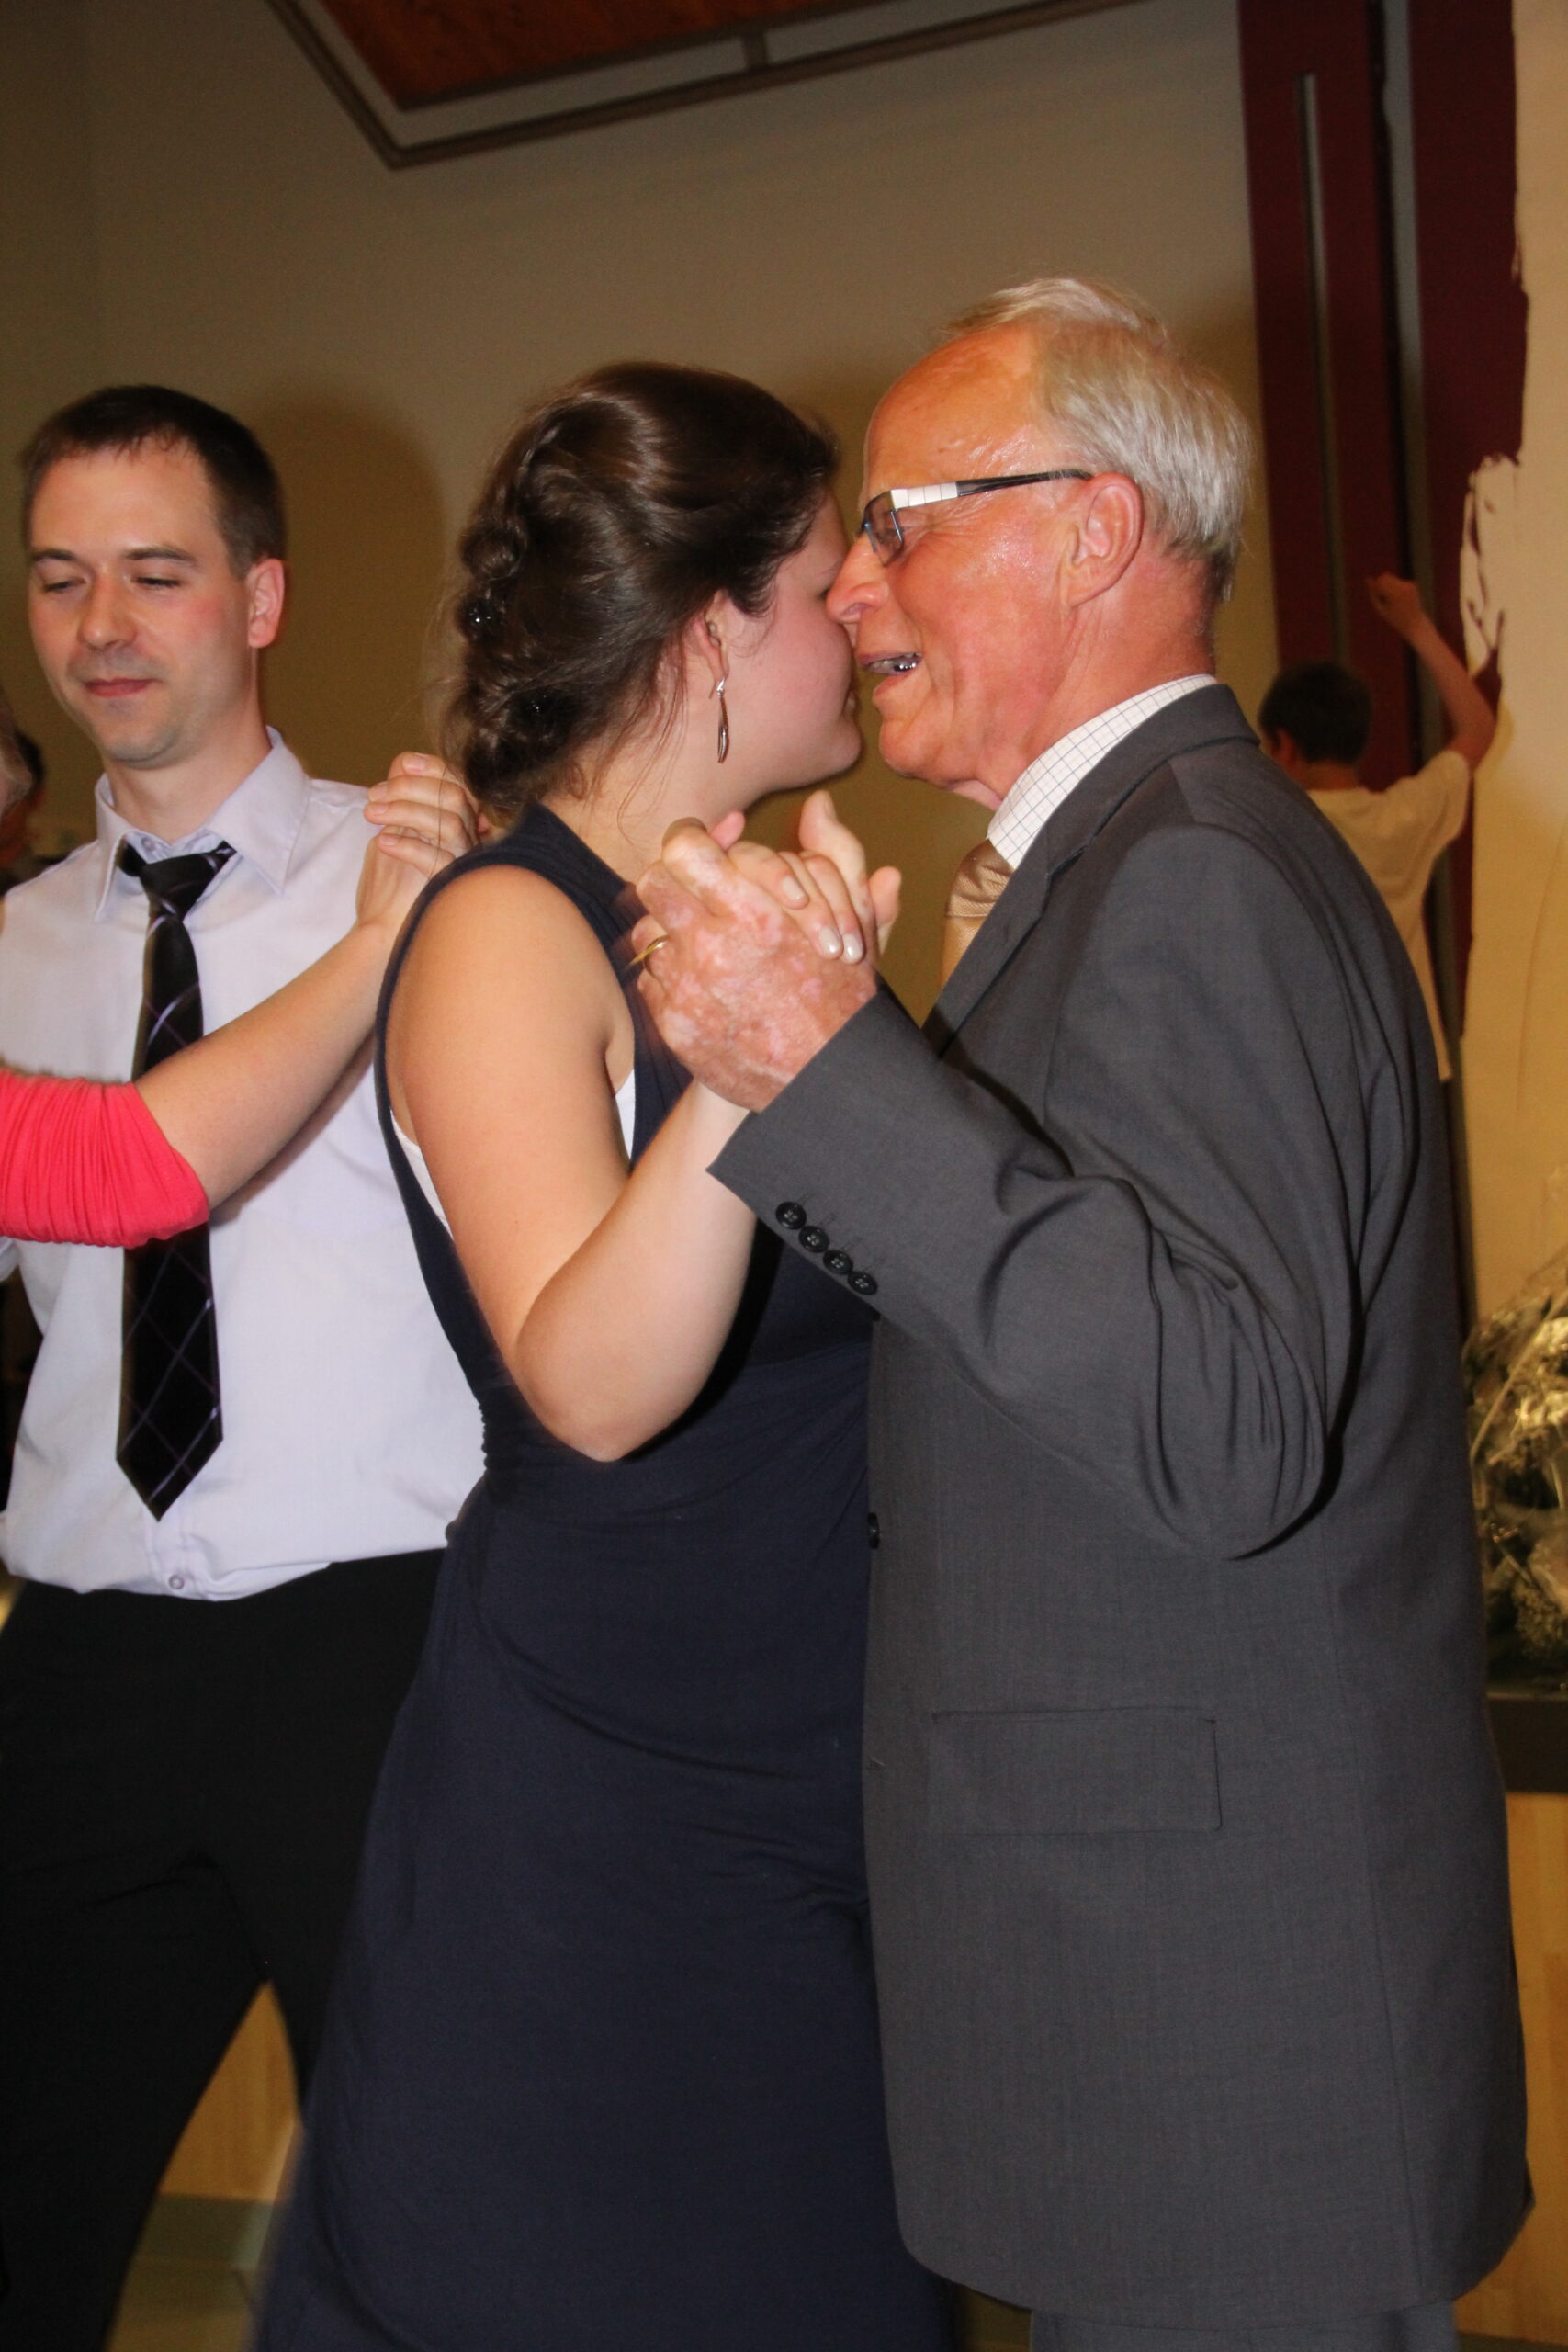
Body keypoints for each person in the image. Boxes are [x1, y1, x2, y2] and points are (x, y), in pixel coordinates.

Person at [629, 280, 1529, 2352]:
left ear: (1092, 528)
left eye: (899, 522)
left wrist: (828, 1067)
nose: (851, 584)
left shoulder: (1190, 872)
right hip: (1178, 1985)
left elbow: (1219, 1422)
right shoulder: (1139, 861)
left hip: (1214, 2009)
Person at [253, 362, 953, 2352]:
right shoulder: (509, 928)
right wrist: (748, 1058)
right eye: (822, 579)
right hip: (606, 1824)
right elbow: (592, 1383)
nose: (867, 609)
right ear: (713, 625)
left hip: (809, 1786)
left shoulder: (748, 922)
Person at [0, 387, 485, 2352]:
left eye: (155, 572)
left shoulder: (439, 879)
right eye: (58, 579)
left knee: (438, 2230)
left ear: (263, 595)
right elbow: (124, 1177)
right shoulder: (14, 942)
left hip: (375, 1648)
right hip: (82, 1654)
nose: (102, 624)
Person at [1259, 571, 1495, 1077]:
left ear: (1286, 746)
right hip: (1411, 1064)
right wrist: (1415, 625)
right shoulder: (1402, 818)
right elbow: (1478, 728)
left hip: (1330, 1074)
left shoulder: (1276, 834)